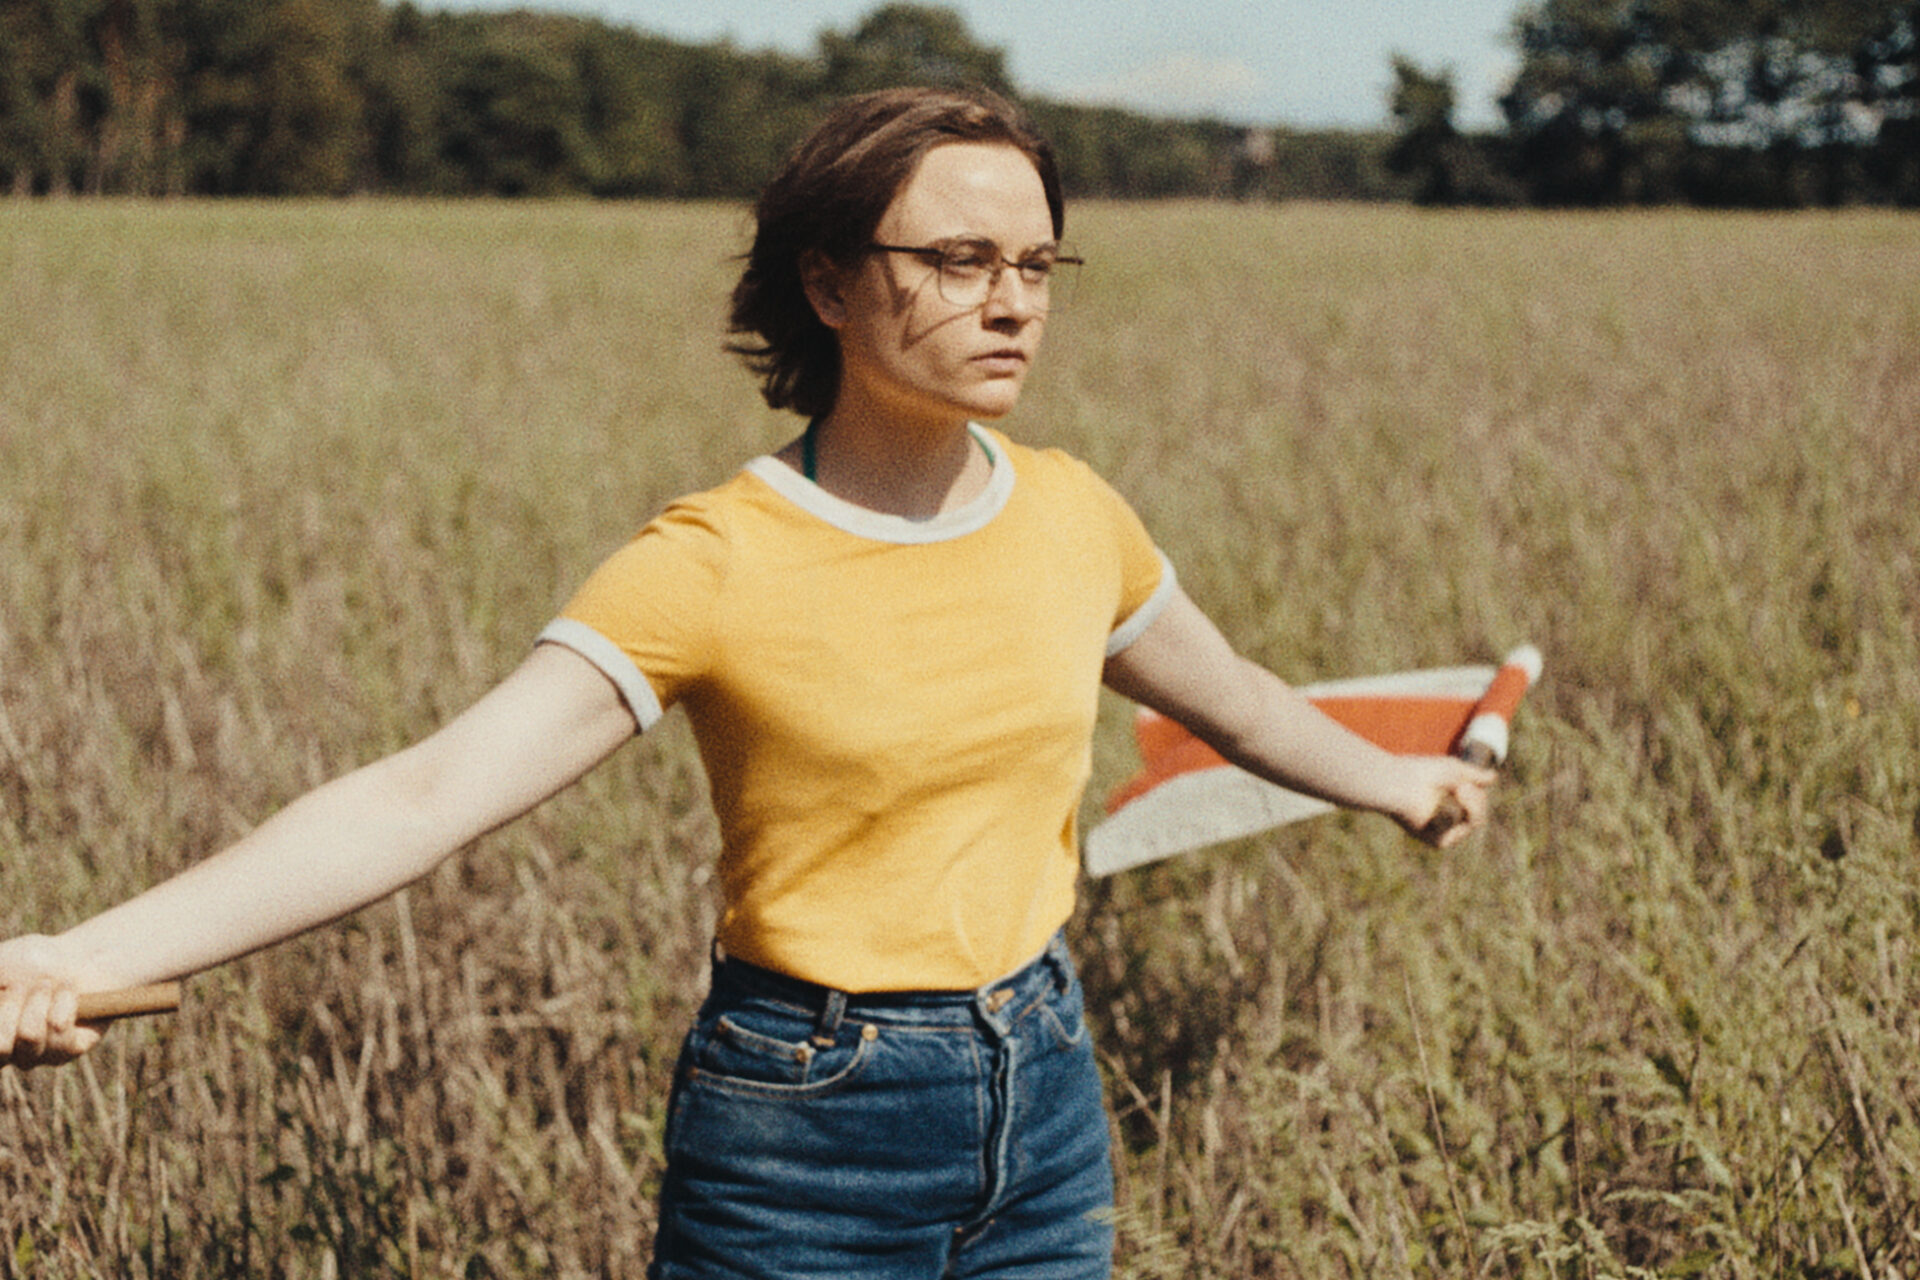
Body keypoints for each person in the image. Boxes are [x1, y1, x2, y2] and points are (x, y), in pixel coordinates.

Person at [0, 87, 1493, 1277]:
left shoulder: (1072, 513)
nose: (1013, 303)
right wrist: (74, 951)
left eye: (1036, 264)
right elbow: (425, 796)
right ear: (828, 283)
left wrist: (1400, 784)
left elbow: (1235, 700)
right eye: (959, 260)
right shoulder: (714, 561)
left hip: (1045, 1091)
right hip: (809, 1125)